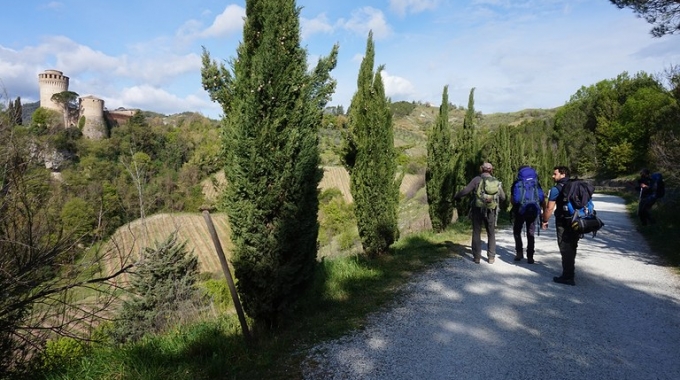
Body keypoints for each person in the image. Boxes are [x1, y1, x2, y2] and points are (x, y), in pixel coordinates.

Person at [454, 162, 506, 264]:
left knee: (476, 231)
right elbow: (503, 197)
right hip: (491, 210)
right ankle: (491, 257)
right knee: (491, 233)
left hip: (477, 209)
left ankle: (477, 257)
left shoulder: (476, 179)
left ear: (481, 169)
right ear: (491, 170)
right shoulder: (496, 182)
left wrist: (457, 196)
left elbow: (466, 191)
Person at [541, 166, 578, 286]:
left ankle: (568, 276)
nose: (553, 176)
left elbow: (550, 208)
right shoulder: (575, 185)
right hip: (577, 220)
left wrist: (545, 220)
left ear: (563, 175)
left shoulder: (556, 189)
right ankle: (570, 271)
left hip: (563, 221)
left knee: (564, 246)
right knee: (572, 245)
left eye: (555, 174)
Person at [510, 165, 544, 264]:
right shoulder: (536, 183)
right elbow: (541, 198)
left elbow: (514, 200)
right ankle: (530, 256)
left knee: (517, 231)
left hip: (520, 211)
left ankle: (519, 253)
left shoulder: (517, 183)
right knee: (531, 233)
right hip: (532, 211)